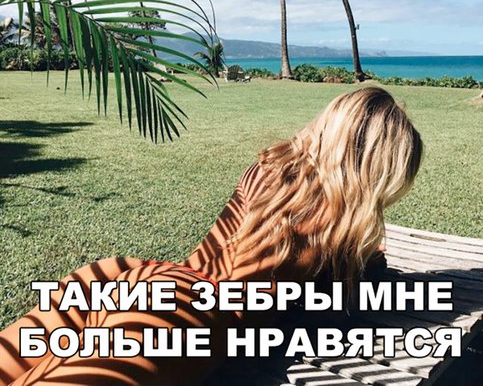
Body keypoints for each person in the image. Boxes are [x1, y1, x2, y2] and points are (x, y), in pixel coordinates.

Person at [0, 87, 423, 386]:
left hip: (131, 275)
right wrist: (372, 264)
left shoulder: (269, 168)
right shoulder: (340, 230)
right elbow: (328, 313)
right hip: (189, 316)